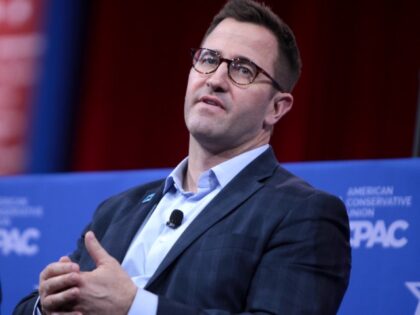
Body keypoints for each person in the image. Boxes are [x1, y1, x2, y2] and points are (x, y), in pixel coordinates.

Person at [14, 0, 351, 314]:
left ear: (277, 108)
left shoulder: (303, 213)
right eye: (208, 59)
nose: (216, 79)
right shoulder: (118, 210)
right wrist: (47, 305)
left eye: (243, 70)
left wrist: (135, 307)